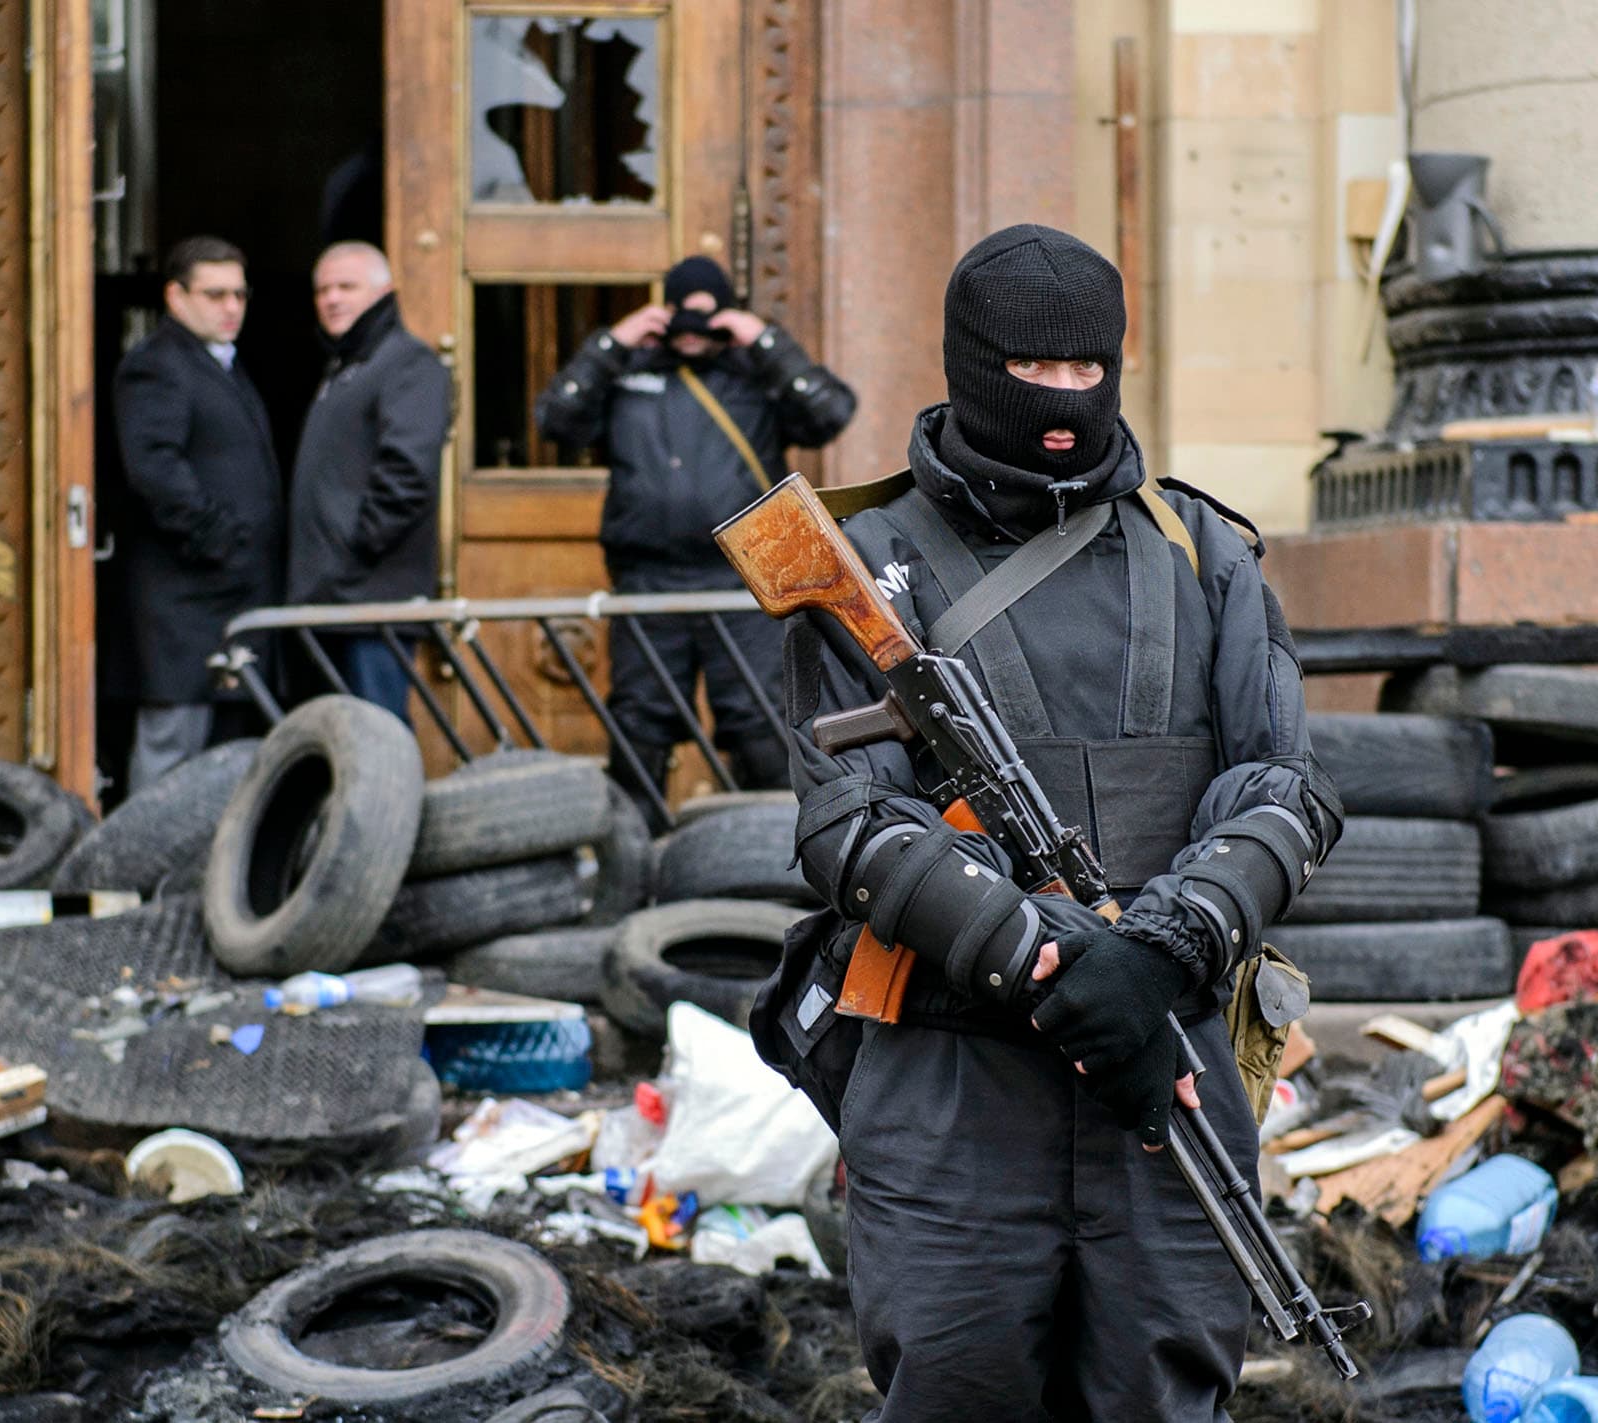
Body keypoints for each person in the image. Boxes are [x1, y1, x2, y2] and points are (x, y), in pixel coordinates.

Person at [770, 225, 1342, 1422]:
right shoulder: (859, 568)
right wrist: (1036, 943)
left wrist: (1167, 947)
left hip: (1162, 1064)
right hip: (950, 1085)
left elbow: (1285, 790)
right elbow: (844, 824)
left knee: (1162, 1393)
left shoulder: (1204, 554)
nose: (1067, 398)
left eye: (1091, 370)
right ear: (973, 366)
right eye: (1036, 373)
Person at [534, 255, 856, 808]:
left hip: (742, 583)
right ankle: (635, 868)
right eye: (683, 318)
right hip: (648, 582)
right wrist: (612, 344)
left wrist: (764, 342)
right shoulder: (630, 372)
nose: (692, 332)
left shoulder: (754, 376)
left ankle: (769, 865)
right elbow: (556, 421)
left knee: (759, 725)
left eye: (708, 319)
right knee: (640, 729)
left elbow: (828, 412)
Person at [111, 235, 283, 791]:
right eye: (215, 295)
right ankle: (145, 875)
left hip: (227, 599)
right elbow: (156, 471)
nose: (232, 307)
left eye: (239, 294)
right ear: (175, 297)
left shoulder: (220, 364)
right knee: (171, 754)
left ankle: (206, 879)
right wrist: (222, 542)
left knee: (225, 761)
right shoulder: (158, 366)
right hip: (184, 604)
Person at [287, 241, 453, 721]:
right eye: (322, 290)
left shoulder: (408, 364)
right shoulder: (346, 367)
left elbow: (407, 473)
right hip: (336, 598)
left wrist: (356, 549)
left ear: (383, 292)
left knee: (377, 739)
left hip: (371, 598)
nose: (331, 299)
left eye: (346, 287)